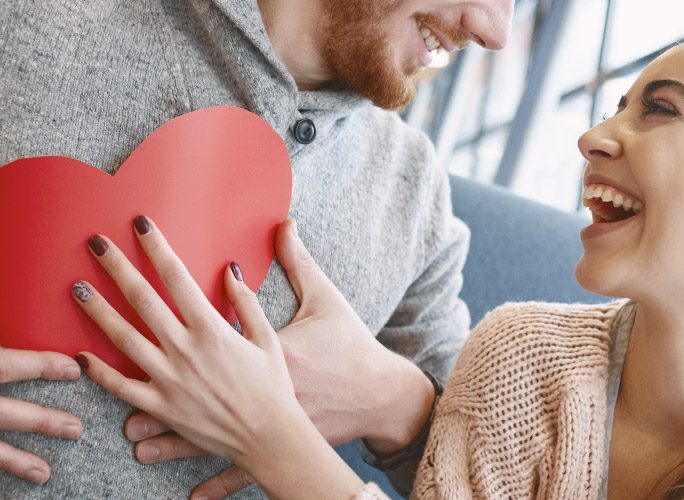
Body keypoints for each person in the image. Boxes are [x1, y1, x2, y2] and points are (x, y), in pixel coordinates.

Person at [70, 36, 684, 498]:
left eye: (662, 109)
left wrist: (272, 432)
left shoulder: (414, 199)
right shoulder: (524, 359)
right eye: (616, 106)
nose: (594, 134)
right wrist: (404, 404)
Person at [0, 0, 513, 497]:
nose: (496, 31)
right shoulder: (27, 22)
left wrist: (400, 403)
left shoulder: (416, 194)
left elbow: (478, 474)